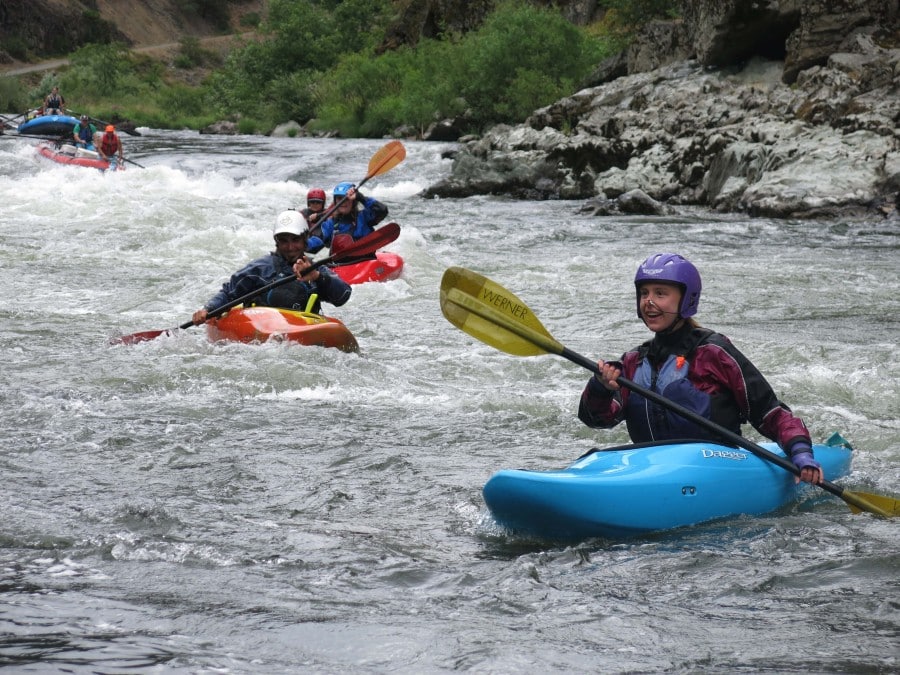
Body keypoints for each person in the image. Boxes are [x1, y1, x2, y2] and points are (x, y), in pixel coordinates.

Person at [578, 252, 823, 485]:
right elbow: (598, 420)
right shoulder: (634, 361)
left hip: (712, 470)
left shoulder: (713, 353)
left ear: (686, 300)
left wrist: (800, 452)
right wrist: (600, 388)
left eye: (660, 293)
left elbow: (768, 412)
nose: (649, 302)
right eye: (644, 293)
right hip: (651, 469)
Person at [191, 210, 352, 325]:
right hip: (264, 335)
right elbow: (228, 293)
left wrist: (317, 277)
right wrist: (208, 309)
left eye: (295, 240)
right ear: (277, 242)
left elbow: (343, 296)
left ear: (305, 240)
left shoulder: (317, 270)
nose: (290, 247)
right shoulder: (259, 269)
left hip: (302, 334)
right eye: (284, 241)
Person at [306, 181, 388, 256]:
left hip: (365, 261)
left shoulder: (364, 217)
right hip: (340, 264)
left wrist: (361, 198)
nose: (343, 202)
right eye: (339, 198)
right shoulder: (331, 223)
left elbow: (382, 210)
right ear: (335, 201)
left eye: (346, 198)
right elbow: (318, 239)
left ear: (354, 201)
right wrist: (303, 244)